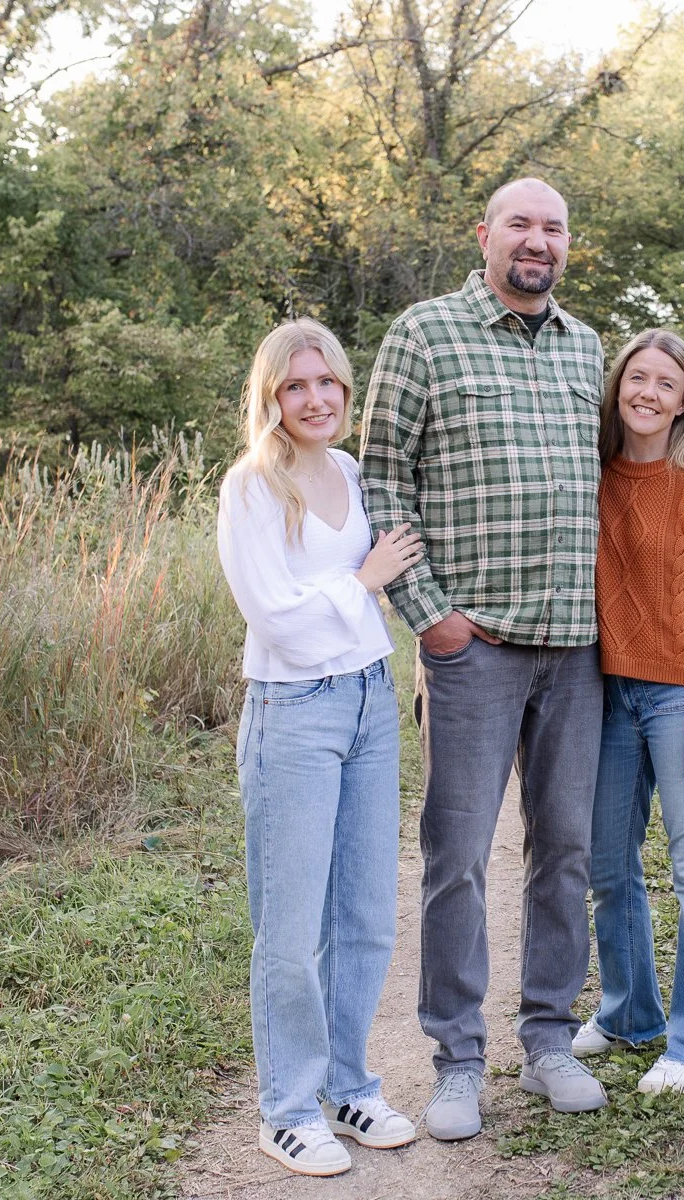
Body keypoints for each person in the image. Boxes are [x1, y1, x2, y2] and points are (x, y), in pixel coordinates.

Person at [359, 178, 608, 1140]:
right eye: (521, 225)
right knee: (458, 857)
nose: (538, 241)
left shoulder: (586, 347)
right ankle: (457, 1061)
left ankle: (548, 1039)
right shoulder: (425, 334)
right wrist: (432, 620)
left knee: (566, 851)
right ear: (486, 235)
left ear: (566, 244)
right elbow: (383, 479)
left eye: (553, 227)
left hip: (576, 649)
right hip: (475, 651)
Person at [217, 319, 425, 1177]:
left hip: (370, 699)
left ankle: (348, 1085)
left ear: (346, 388)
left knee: (366, 914)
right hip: (294, 710)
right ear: (271, 397)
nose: (316, 399)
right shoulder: (252, 487)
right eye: (296, 386)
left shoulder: (349, 472)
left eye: (328, 382)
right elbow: (277, 619)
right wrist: (362, 583)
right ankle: (288, 1109)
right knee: (292, 926)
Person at [572, 329, 684, 1094]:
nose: (647, 393)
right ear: (618, 387)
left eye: (665, 384)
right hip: (605, 695)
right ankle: (629, 1013)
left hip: (681, 698)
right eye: (636, 378)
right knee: (608, 866)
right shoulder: (589, 475)